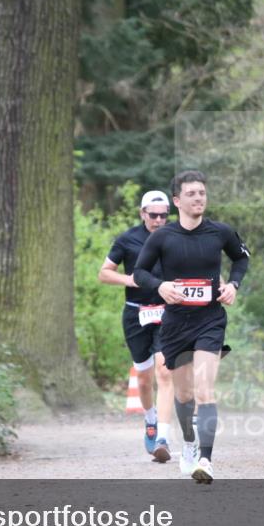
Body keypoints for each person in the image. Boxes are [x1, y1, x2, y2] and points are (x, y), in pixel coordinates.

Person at [133, 170, 250, 483]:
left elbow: (241, 259)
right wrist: (160, 286)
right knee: (183, 395)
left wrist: (233, 285)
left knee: (204, 389)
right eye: (191, 194)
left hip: (210, 320)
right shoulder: (162, 237)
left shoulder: (221, 232)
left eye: (202, 193)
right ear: (177, 200)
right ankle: (188, 442)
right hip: (175, 324)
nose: (199, 198)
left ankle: (206, 460)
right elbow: (140, 273)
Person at [98, 190, 176, 462]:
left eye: (164, 215)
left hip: (167, 313)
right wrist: (129, 280)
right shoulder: (127, 239)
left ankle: (163, 438)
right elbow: (104, 273)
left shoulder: (176, 237)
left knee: (165, 371)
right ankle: (150, 419)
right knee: (144, 377)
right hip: (136, 314)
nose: (159, 220)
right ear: (143, 213)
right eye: (153, 215)